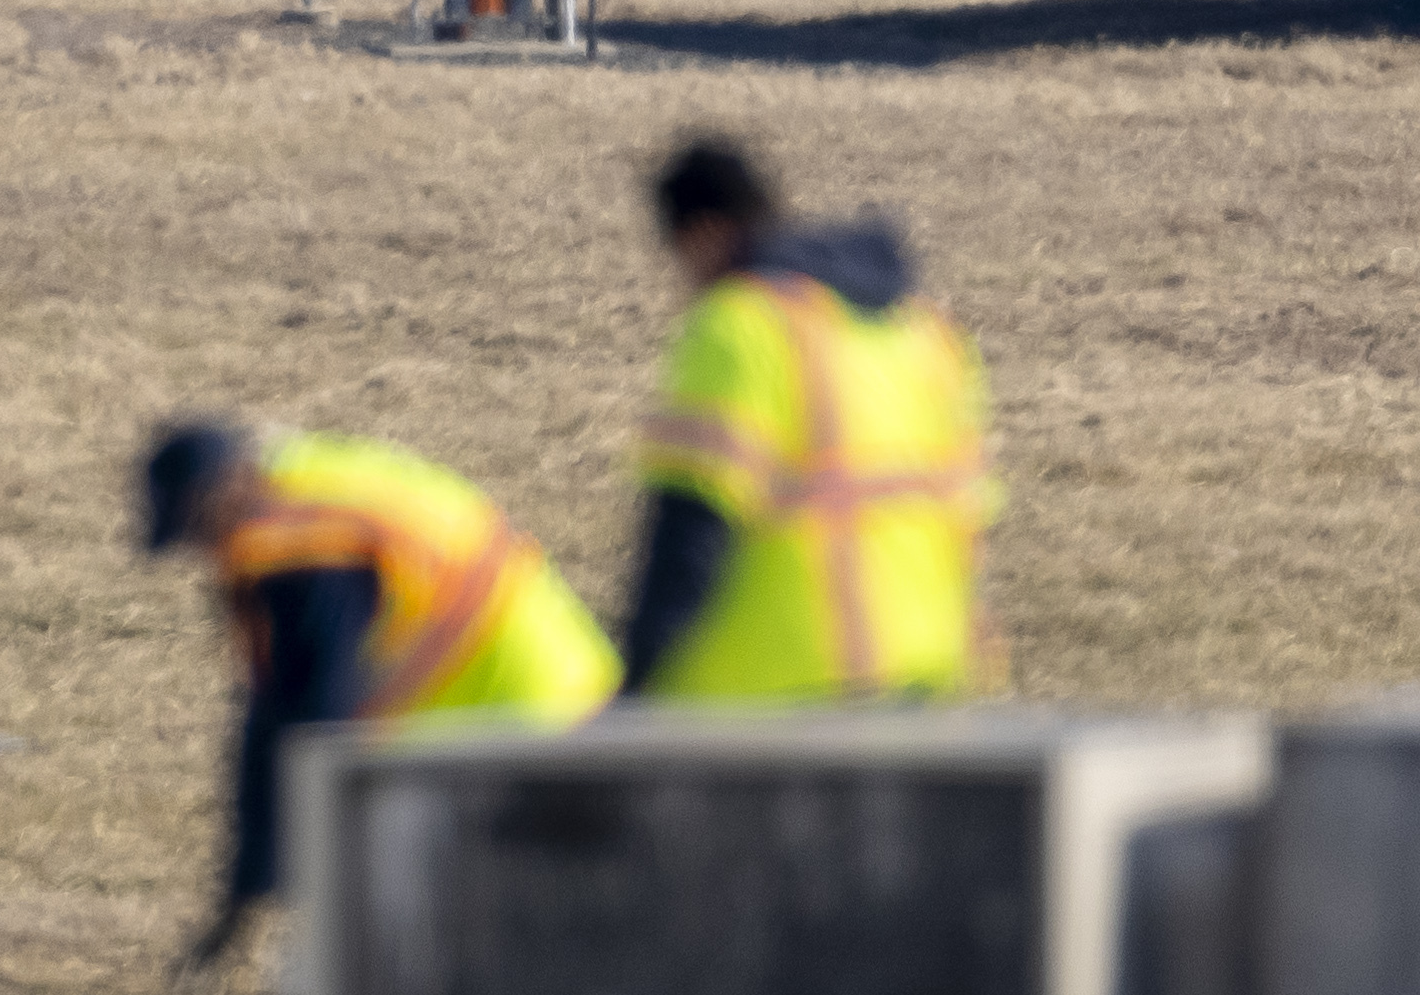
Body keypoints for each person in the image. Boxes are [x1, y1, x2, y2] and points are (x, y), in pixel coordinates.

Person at [135, 418, 617, 991]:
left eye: (198, 530)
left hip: (520, 709)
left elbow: (322, 729)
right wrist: (249, 888)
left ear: (228, 490)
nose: (202, 552)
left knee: (485, 927)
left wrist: (278, 894)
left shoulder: (300, 542)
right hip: (539, 685)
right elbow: (278, 714)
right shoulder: (293, 495)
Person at [621, 135, 998, 704]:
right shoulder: (926, 331)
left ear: (702, 234)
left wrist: (636, 683)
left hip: (788, 694)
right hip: (929, 678)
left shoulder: (740, 325)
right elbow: (967, 516)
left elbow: (690, 533)